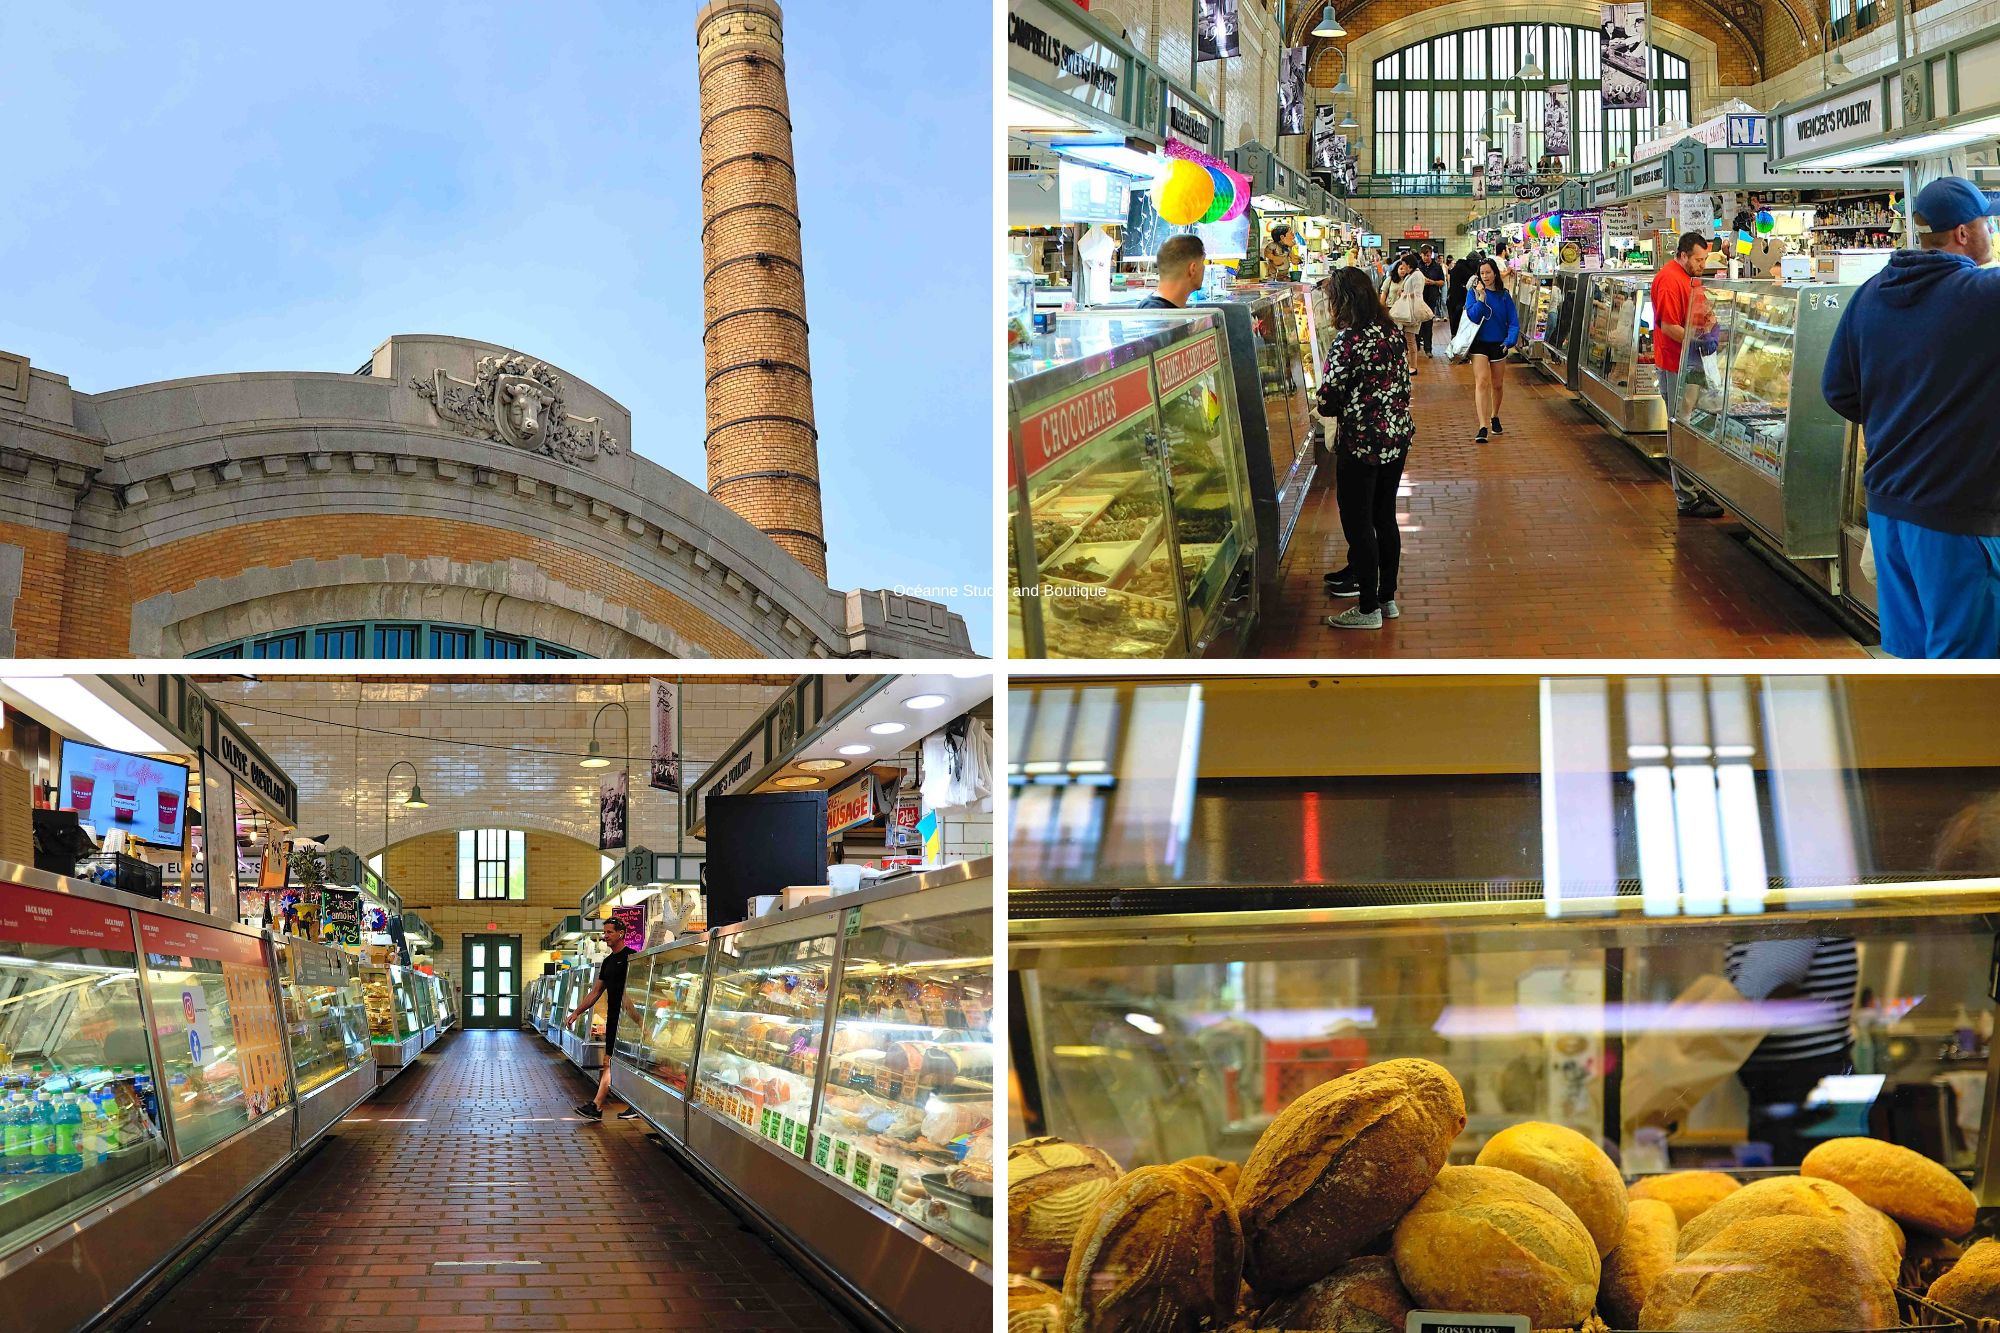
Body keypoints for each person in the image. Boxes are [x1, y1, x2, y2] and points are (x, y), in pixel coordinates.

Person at [1822, 176, 2000, 658]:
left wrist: (1902, 417)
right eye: (1988, 220)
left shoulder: (1871, 292)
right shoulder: (1982, 296)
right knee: (1967, 660)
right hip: (1954, 514)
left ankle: (1911, 734)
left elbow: (1837, 390)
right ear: (1964, 233)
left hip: (1887, 510)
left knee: (1911, 653)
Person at [1316, 265, 1415, 630]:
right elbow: (1403, 385)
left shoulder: (1349, 340)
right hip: (1395, 437)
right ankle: (1387, 599)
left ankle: (1368, 607)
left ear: (1343, 301)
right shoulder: (1392, 332)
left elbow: (1329, 398)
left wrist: (1325, 402)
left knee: (1358, 524)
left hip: (1360, 443)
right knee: (1384, 517)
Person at [1725, 936, 1858, 1166]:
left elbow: (1767, 981)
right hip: (1792, 1084)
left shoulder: (1791, 903)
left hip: (1802, 1084)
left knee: (1806, 1188)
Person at [1651, 231, 1727, 517]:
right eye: (1698, 259)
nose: (1702, 264)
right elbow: (1669, 326)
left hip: (1691, 363)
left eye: (1704, 259)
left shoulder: (1687, 277)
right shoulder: (1670, 280)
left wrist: (1712, 326)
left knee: (1690, 422)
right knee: (1681, 426)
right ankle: (1686, 497)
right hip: (1676, 364)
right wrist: (1698, 341)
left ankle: (1692, 485)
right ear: (1682, 255)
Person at [565, 915, 644, 1121]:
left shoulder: (632, 958)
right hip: (614, 1018)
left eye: (609, 932)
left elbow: (634, 994)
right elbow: (595, 992)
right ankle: (623, 1105)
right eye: (604, 932)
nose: (605, 936)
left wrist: (641, 1022)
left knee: (617, 1063)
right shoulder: (608, 962)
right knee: (612, 1062)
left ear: (621, 934)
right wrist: (576, 1012)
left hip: (628, 1021)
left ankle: (598, 1106)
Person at [1463, 257, 1518, 442]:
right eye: (1482, 273)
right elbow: (1473, 316)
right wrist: (1481, 298)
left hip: (1499, 343)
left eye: (1488, 272)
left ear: (1495, 273)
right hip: (1478, 343)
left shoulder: (1504, 295)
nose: (1485, 276)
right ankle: (1482, 426)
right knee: (1482, 381)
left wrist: (1509, 341)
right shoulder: (1473, 292)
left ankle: (1494, 415)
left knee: (1497, 384)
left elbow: (1513, 321)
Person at [1387, 254, 1430, 374]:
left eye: (1404, 265)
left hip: (1412, 311)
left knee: (1410, 340)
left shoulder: (1417, 275)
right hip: (1407, 310)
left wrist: (1404, 294)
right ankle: (1410, 364)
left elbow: (1417, 293)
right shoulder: (1412, 274)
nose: (1402, 267)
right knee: (1408, 338)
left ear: (1409, 265)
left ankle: (1413, 366)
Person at [1139, 233, 1206, 309]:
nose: (1204, 267)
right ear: (1192, 269)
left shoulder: (1161, 309)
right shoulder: (1156, 315)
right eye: (1203, 261)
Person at [1415, 243, 1446, 357]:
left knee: (1428, 324)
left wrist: (1433, 282)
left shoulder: (1437, 267)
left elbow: (1442, 282)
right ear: (1421, 255)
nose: (1426, 258)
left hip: (1431, 298)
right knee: (1417, 323)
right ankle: (1416, 346)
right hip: (1418, 299)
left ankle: (1428, 349)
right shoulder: (1417, 266)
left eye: (1428, 255)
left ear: (1431, 255)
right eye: (1424, 255)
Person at [1446, 248, 1481, 342]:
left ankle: (1454, 342)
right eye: (1477, 262)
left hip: (1452, 300)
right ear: (1472, 262)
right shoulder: (1466, 271)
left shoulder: (1458, 266)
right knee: (1460, 325)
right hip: (1460, 302)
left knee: (1454, 326)